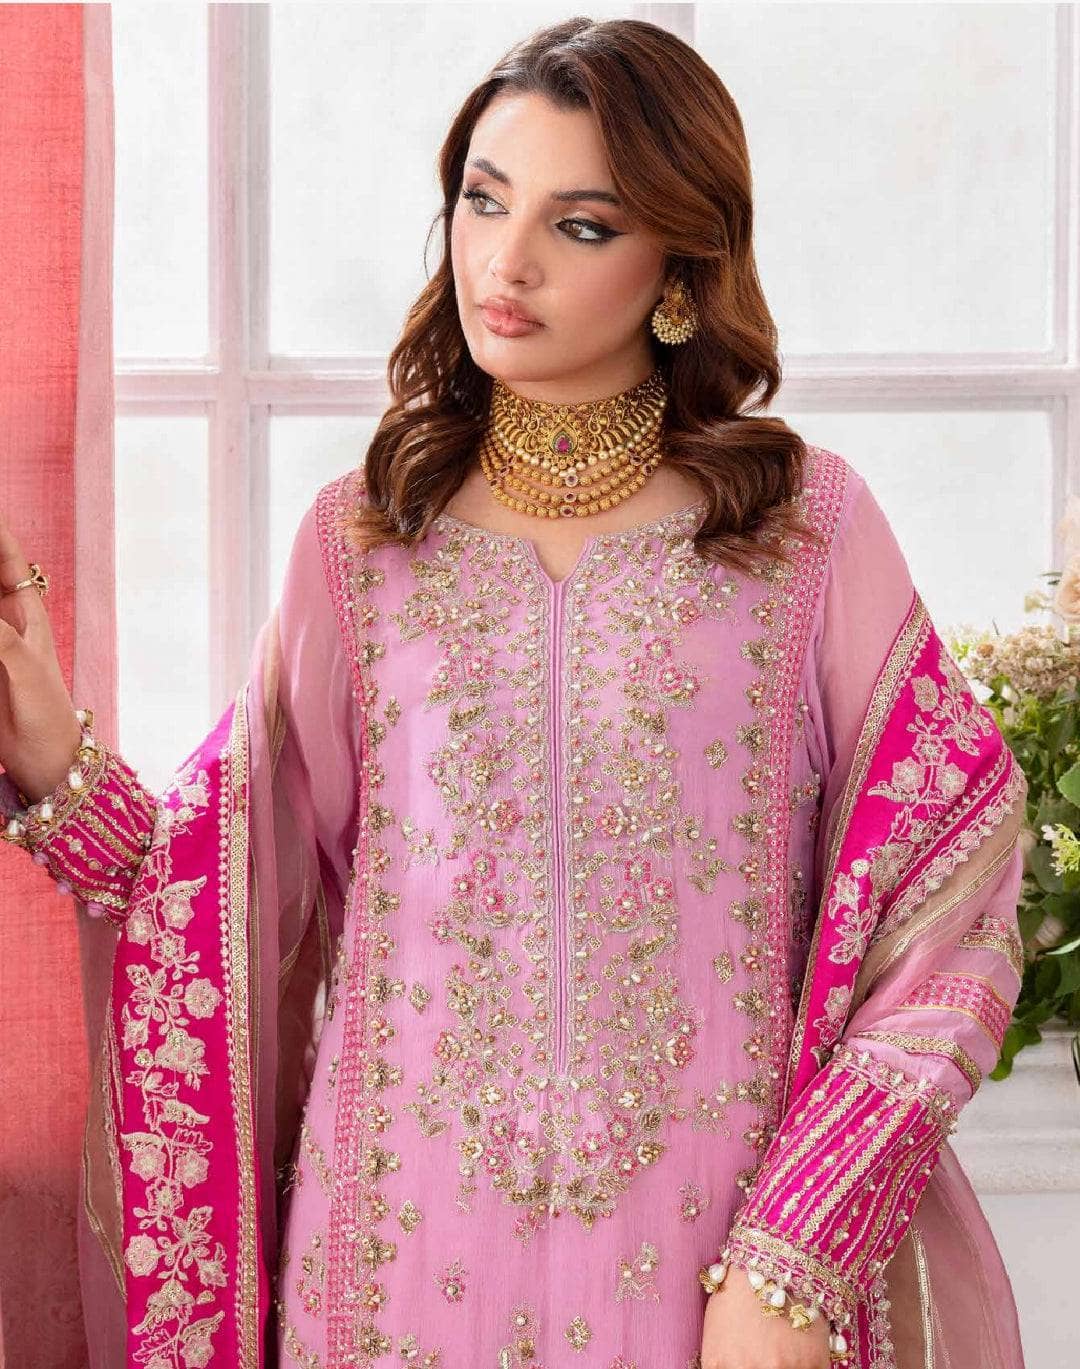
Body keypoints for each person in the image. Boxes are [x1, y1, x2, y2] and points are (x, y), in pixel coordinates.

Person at [0, 17, 1029, 1369]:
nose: (507, 259)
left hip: (713, 1284)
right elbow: (221, 912)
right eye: (485, 199)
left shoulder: (804, 534)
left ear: (679, 267)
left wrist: (798, 1253)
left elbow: (953, 883)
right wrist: (57, 760)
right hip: (388, 1281)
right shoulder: (361, 544)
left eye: (581, 224)